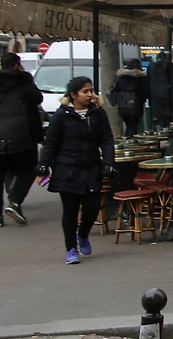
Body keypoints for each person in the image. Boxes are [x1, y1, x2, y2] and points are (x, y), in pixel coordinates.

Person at [36, 77, 116, 264]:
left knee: (92, 207)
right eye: (85, 91)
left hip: (91, 167)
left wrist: (109, 162)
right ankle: (71, 248)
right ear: (73, 95)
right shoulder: (61, 116)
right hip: (67, 169)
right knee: (70, 211)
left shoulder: (97, 113)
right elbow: (51, 143)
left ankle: (83, 234)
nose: (90, 95)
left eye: (91, 90)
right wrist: (42, 167)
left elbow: (106, 138)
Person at [0, 52, 45, 226]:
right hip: (20, 134)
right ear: (17, 65)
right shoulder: (23, 82)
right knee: (28, 168)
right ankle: (15, 201)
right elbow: (38, 98)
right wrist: (25, 77)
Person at [109, 59, 149, 137]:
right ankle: (131, 140)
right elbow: (145, 92)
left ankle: (127, 139)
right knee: (133, 126)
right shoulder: (141, 77)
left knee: (128, 125)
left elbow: (116, 89)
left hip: (123, 105)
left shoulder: (121, 76)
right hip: (136, 105)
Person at [147, 52, 173, 129]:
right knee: (169, 119)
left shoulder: (152, 67)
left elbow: (148, 83)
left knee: (159, 120)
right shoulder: (172, 67)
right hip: (171, 99)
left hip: (156, 98)